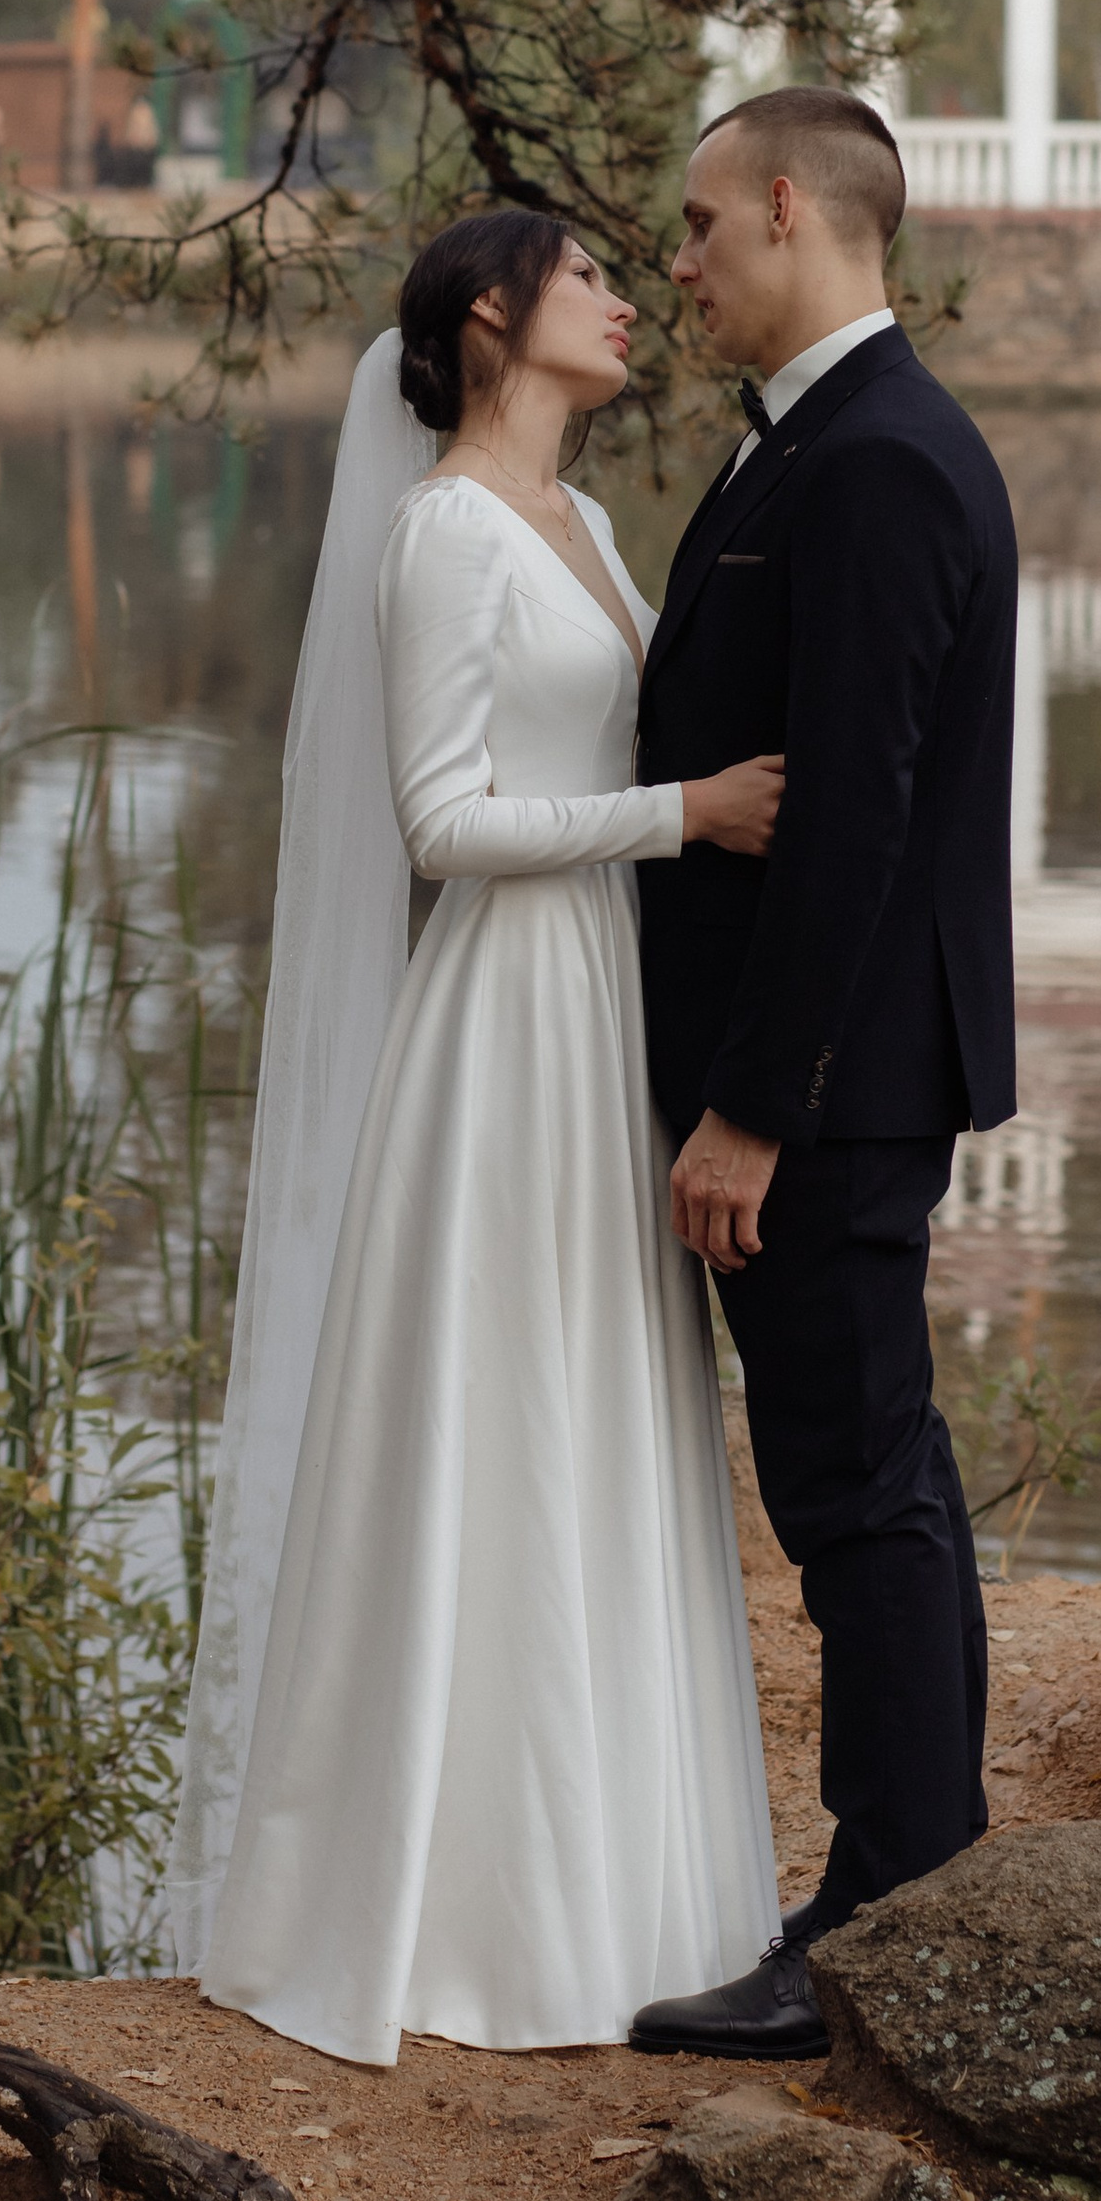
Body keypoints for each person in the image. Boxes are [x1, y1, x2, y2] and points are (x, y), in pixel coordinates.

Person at [171, 211, 787, 2062]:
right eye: (589, 276)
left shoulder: (581, 520)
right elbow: (440, 821)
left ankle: (617, 1900)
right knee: (498, 1412)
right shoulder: (443, 531)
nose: (628, 298)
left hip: (605, 1007)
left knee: (595, 1404)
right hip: (506, 1016)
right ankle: (455, 1917)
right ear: (496, 316)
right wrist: (684, 814)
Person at [627, 83, 1019, 2060]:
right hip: (841, 1072)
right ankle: (924, 1883)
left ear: (789, 207)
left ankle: (884, 1920)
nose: (678, 260)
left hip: (835, 1085)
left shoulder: (873, 462)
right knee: (879, 1475)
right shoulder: (818, 437)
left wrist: (753, 1105)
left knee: (852, 1491)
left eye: (701, 222)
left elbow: (853, 815)